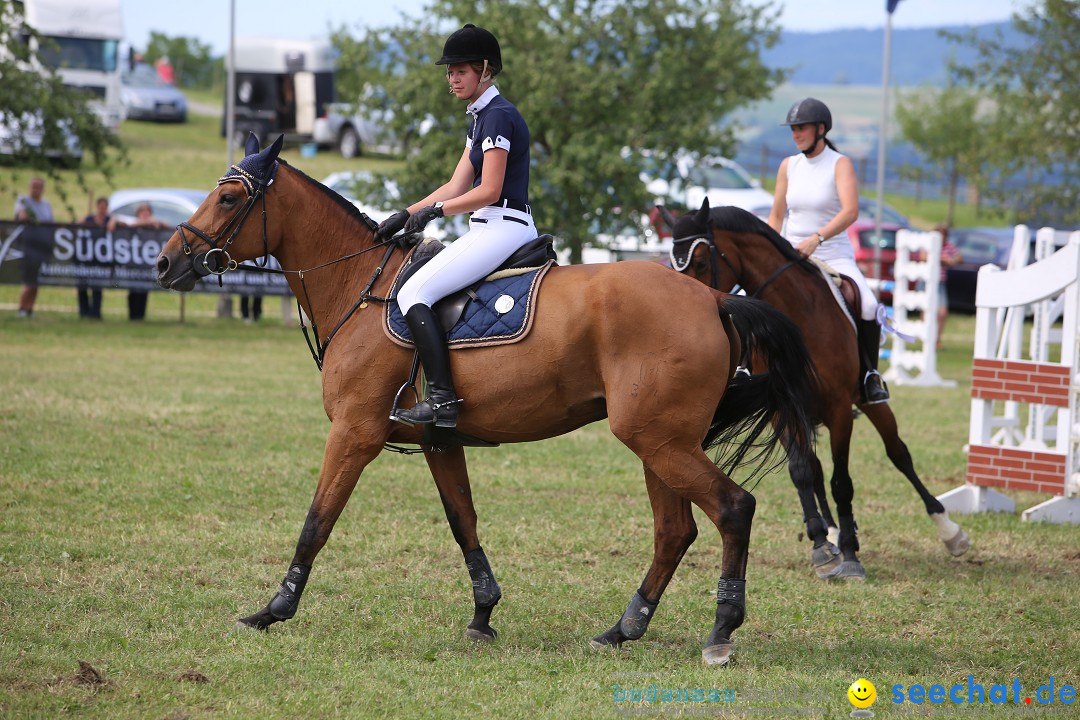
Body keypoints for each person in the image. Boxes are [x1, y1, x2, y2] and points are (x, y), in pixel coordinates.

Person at [376, 24, 535, 428]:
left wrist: (436, 212)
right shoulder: (480, 120)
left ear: (485, 69)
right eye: (449, 72)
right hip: (489, 226)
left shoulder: (498, 117)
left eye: (460, 70)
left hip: (502, 226)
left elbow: (489, 190)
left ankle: (443, 401)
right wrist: (406, 213)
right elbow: (456, 184)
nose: (452, 78)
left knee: (413, 292)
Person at [767, 97, 889, 404]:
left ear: (821, 129)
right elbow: (777, 215)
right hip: (791, 255)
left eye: (802, 128)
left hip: (833, 255)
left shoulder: (840, 164)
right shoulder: (788, 166)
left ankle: (869, 376)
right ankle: (745, 368)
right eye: (793, 129)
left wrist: (816, 239)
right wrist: (769, 245)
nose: (796, 134)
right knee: (747, 299)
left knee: (870, 306)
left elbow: (850, 212)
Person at [109, 203, 165, 320]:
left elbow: (166, 225)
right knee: (133, 289)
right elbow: (120, 220)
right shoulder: (135, 222)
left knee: (144, 290)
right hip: (133, 263)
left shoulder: (153, 224)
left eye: (147, 211)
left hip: (146, 264)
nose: (145, 214)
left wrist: (156, 223)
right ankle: (132, 315)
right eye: (142, 211)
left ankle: (140, 316)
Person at [14, 177, 55, 318]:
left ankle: (29, 309)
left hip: (43, 247)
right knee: (29, 280)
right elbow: (22, 216)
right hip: (28, 247)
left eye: (39, 186)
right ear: (29, 187)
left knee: (37, 280)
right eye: (34, 186)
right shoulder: (23, 201)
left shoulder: (46, 205)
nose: (36, 189)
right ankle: (21, 309)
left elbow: (51, 223)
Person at [77, 197, 109, 319]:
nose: (102, 210)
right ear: (97, 207)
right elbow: (77, 225)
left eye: (104, 207)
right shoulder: (89, 219)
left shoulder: (109, 220)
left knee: (97, 287)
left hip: (100, 259)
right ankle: (83, 312)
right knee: (82, 286)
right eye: (100, 207)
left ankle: (96, 313)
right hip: (86, 257)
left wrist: (113, 220)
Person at [934, 225, 963, 350]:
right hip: (927, 282)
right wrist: (941, 258)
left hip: (940, 282)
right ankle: (927, 338)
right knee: (928, 312)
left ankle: (937, 340)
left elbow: (960, 258)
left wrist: (951, 260)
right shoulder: (930, 244)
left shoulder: (948, 246)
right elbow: (923, 256)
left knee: (942, 312)